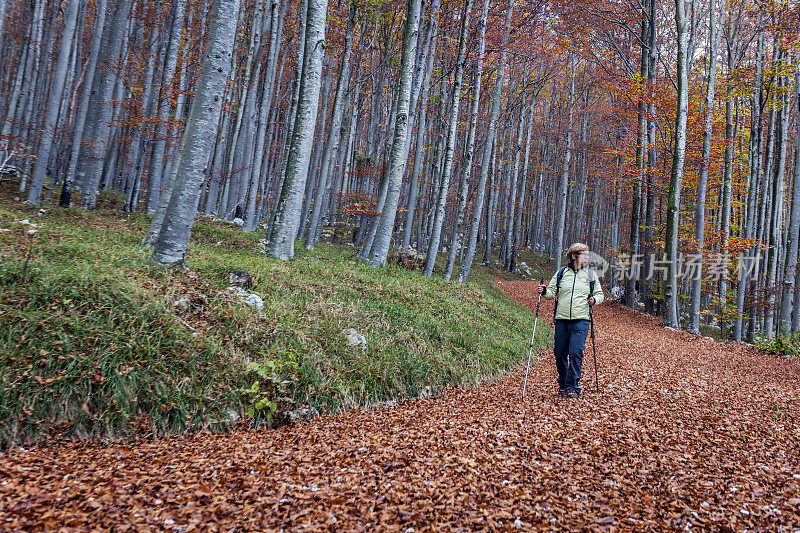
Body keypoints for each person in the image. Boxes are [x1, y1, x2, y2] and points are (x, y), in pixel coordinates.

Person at [536, 242, 604, 398]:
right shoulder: (561, 273)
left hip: (581, 319)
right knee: (559, 353)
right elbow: (552, 292)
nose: (587, 257)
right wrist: (544, 290)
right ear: (574, 256)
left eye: (588, 254)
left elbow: (600, 294)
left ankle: (572, 386)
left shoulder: (590, 274)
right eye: (584, 254)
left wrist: (594, 299)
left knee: (575, 352)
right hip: (562, 319)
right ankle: (564, 381)